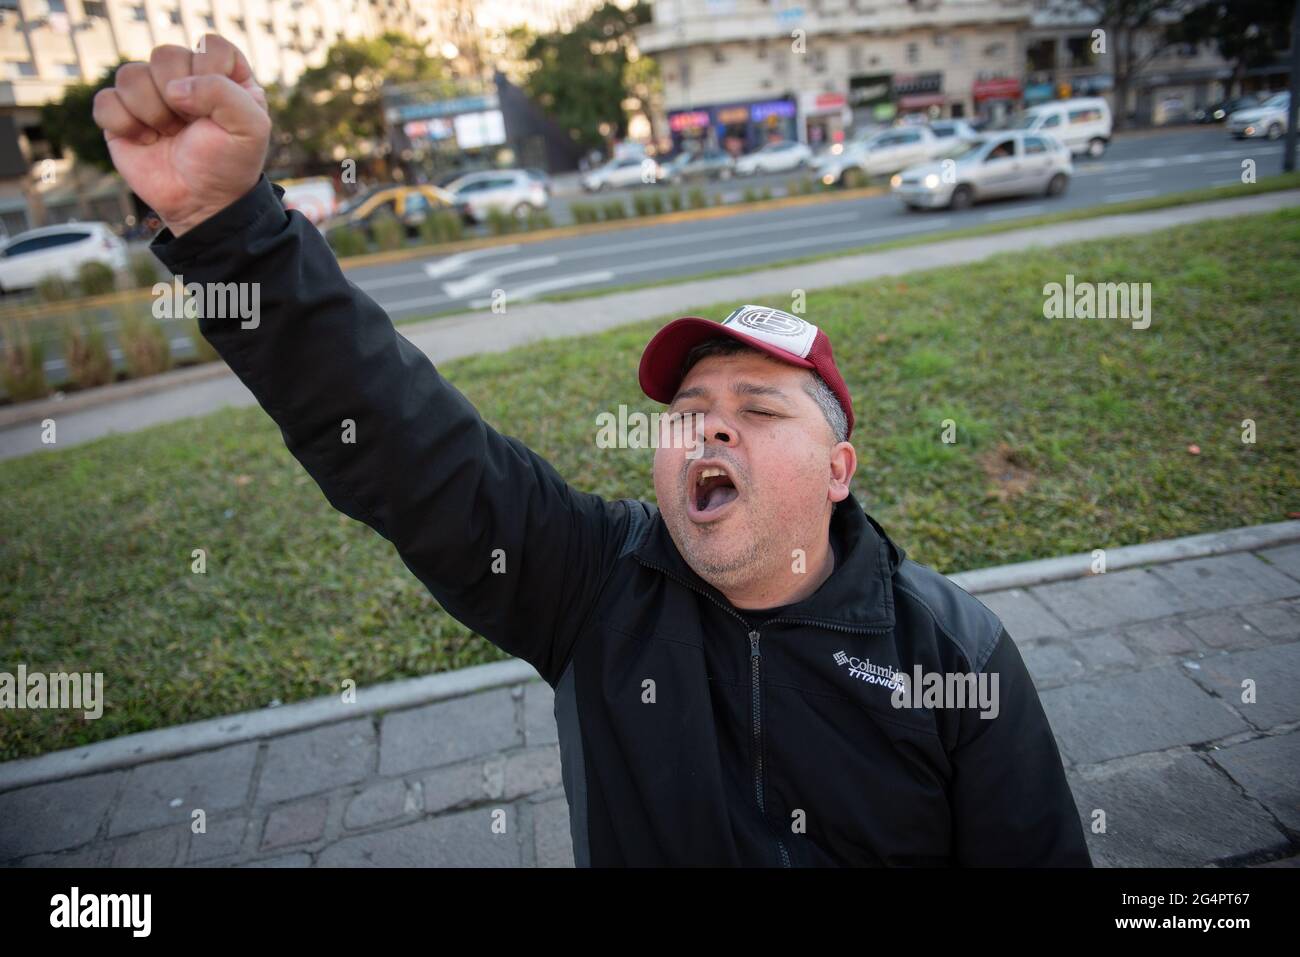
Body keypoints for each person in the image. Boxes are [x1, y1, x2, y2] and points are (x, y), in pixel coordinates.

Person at [93, 35, 1092, 867]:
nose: (710, 425)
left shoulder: (954, 656)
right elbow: (401, 441)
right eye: (690, 407)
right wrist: (227, 230)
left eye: (759, 409)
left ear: (839, 471)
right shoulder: (592, 588)